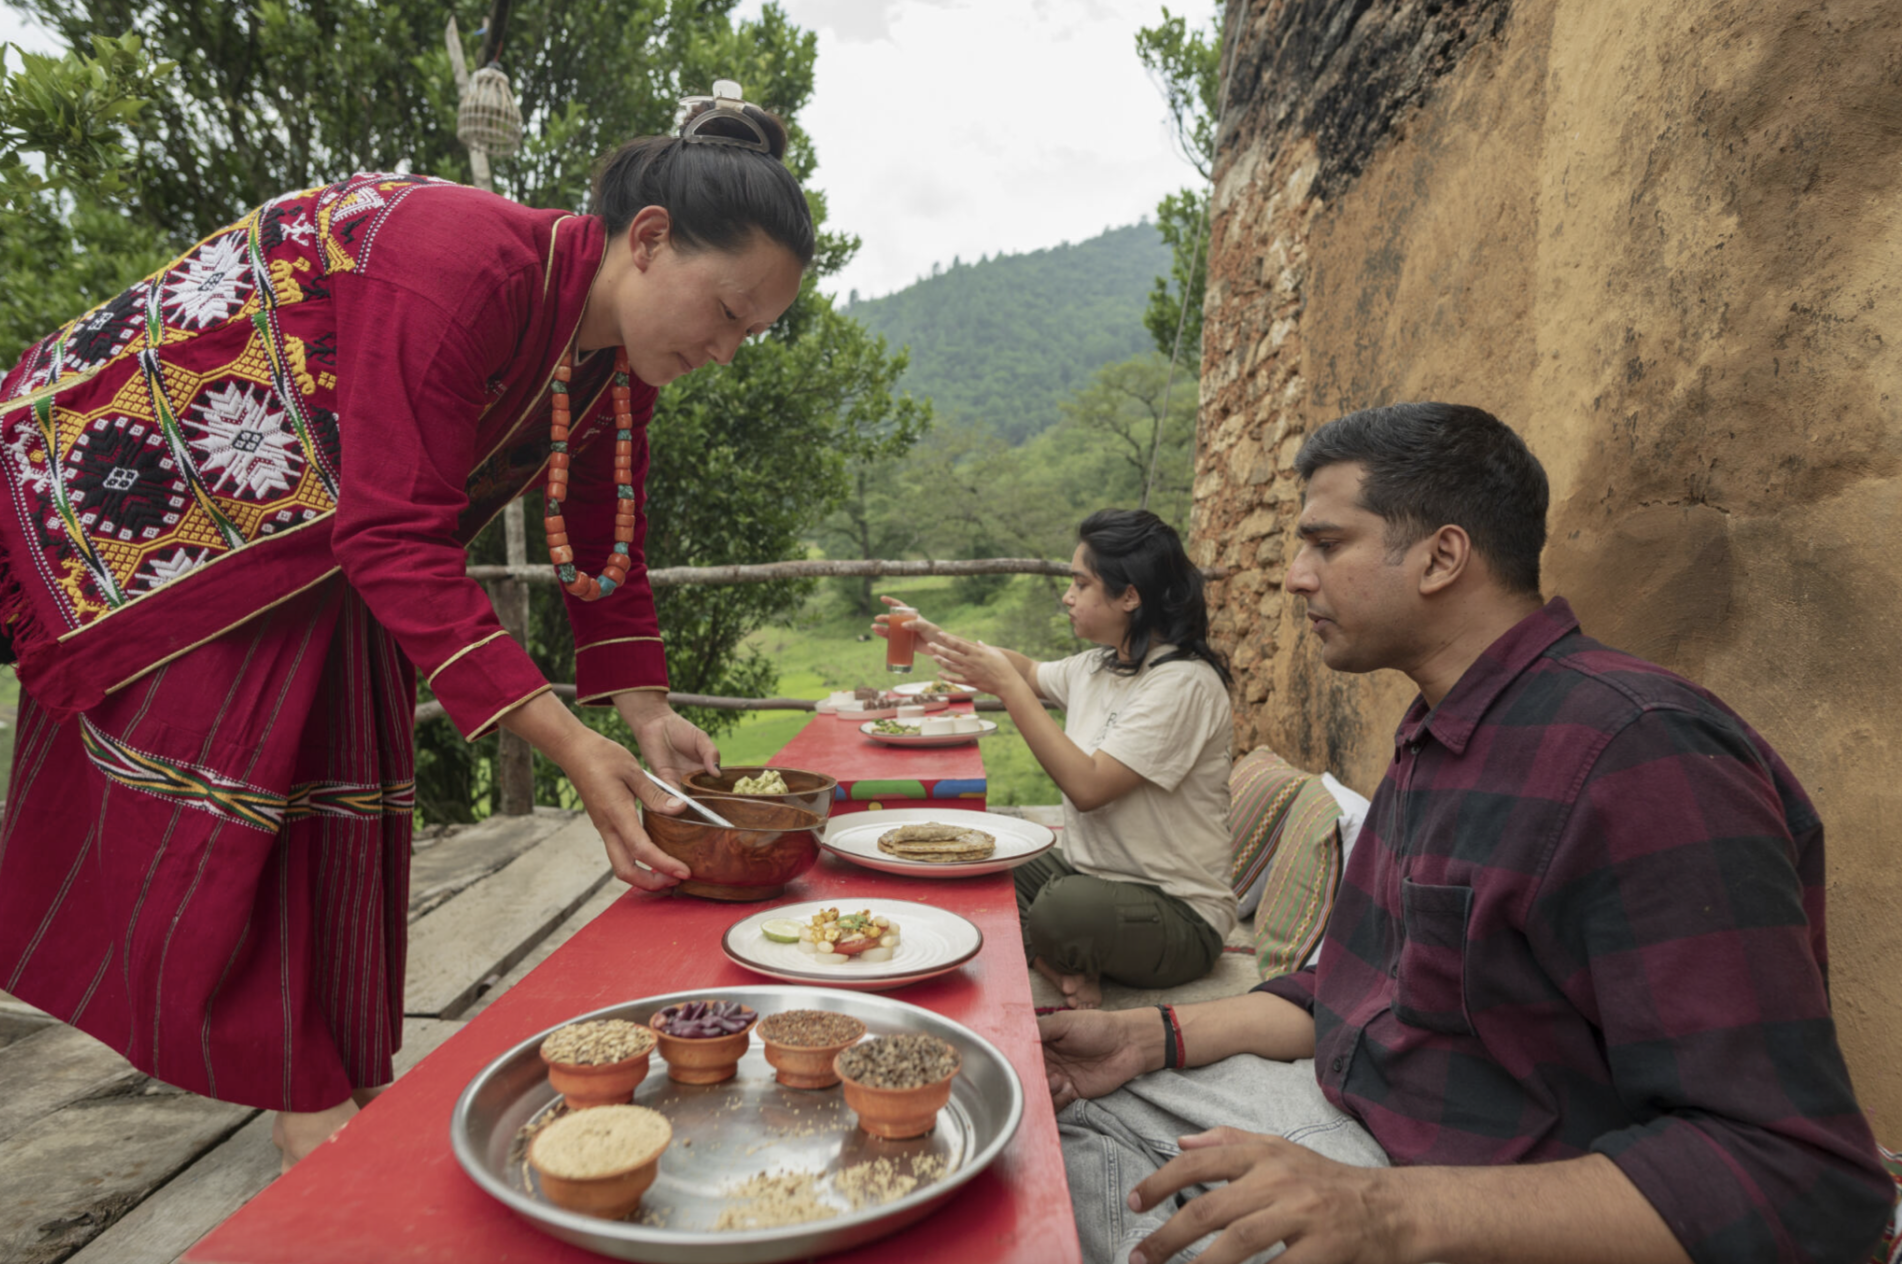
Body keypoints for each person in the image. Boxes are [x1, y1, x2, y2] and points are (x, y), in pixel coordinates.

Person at [0, 85, 809, 1169]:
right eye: (728, 313)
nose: (729, 348)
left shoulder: (613, 359)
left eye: (753, 331)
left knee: (343, 758)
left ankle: (330, 1068)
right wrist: (573, 743)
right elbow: (394, 535)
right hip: (181, 495)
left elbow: (603, 526)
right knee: (253, 770)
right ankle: (303, 1091)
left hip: (317, 529)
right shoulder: (457, 260)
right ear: (652, 241)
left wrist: (645, 711)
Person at [1041, 404, 1892, 1264]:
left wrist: (1384, 1213)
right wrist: (1151, 1036)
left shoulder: (1638, 754)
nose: (1297, 577)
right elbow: (1354, 988)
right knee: (1045, 1123)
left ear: (1443, 556)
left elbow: (1799, 1181)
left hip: (1476, 1201)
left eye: (1327, 545)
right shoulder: (1441, 731)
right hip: (1357, 1126)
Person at [886, 508, 1238, 1010]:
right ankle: (1063, 965)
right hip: (1093, 877)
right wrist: (935, 640)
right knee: (977, 865)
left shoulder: (1181, 683)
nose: (1068, 597)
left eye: (1080, 583)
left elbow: (1088, 788)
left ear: (1129, 596)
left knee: (1061, 912)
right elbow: (1028, 671)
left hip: (1178, 914)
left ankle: (1059, 950)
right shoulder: (1100, 665)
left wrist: (1009, 690)